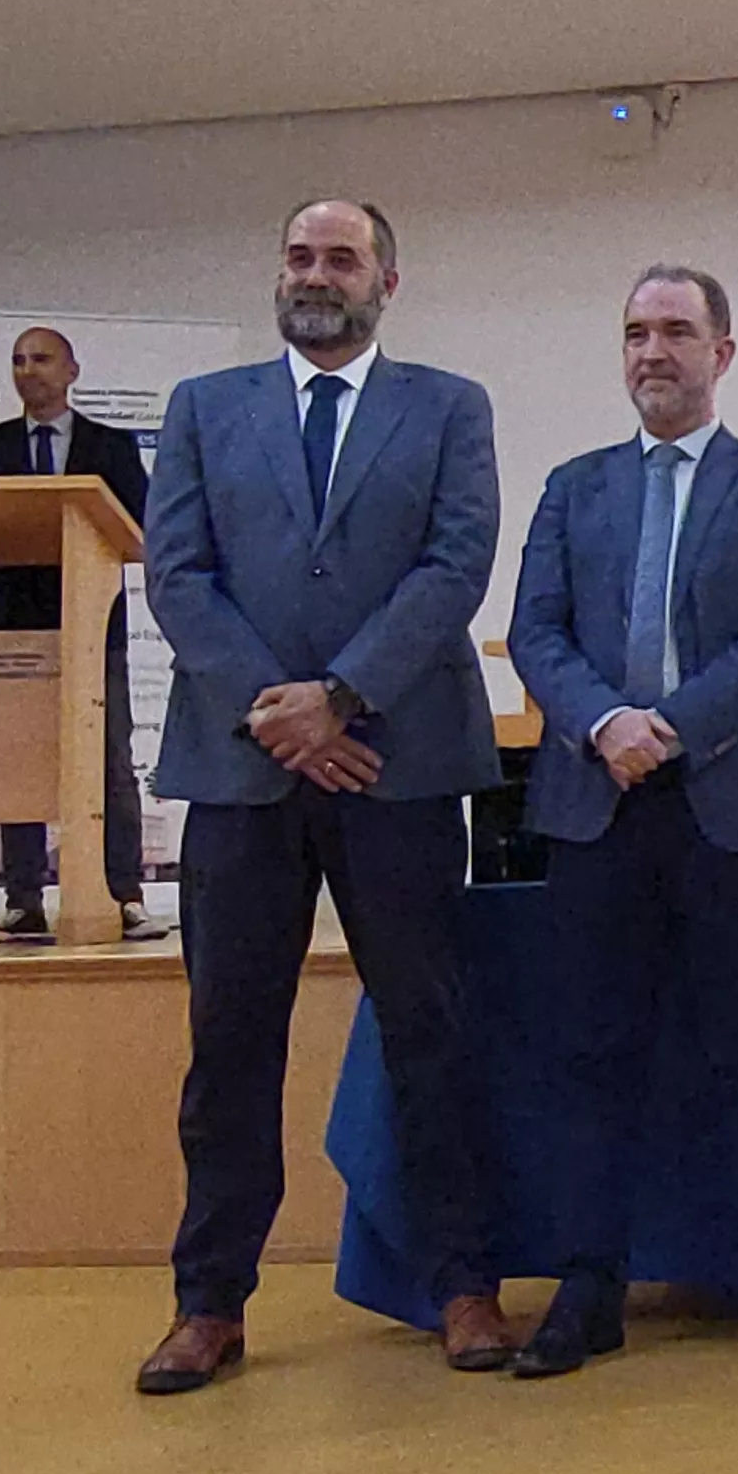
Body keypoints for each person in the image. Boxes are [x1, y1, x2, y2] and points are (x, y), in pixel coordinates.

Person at [133, 199, 509, 1394]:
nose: (315, 274)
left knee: (430, 1030)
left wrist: (341, 699)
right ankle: (209, 1303)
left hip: (397, 763)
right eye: (298, 255)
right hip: (241, 773)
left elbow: (457, 562)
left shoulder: (448, 405)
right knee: (229, 1042)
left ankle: (461, 1283)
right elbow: (176, 571)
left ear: (386, 280)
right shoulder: (204, 407)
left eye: (340, 257)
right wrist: (282, 715)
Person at [503, 265, 738, 1376]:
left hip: (729, 807)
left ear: (722, 353)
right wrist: (605, 724)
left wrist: (671, 728)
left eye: (677, 332)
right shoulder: (572, 487)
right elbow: (535, 631)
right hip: (593, 808)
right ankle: (586, 1288)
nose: (654, 351)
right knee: (591, 1055)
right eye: (637, 332)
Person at [0, 325, 161, 942]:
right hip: (13, 627)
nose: (28, 371)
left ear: (72, 371)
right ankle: (24, 899)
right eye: (18, 361)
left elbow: (141, 529)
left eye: (42, 359)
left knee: (110, 763)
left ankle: (120, 893)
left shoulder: (111, 446)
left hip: (94, 625)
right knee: (19, 757)